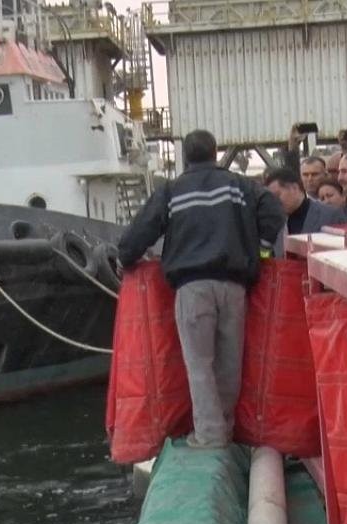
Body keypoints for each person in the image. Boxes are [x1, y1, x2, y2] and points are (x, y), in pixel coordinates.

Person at [118, 130, 284, 449]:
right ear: (215, 152)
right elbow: (274, 212)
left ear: (186, 156)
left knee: (199, 363)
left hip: (192, 286)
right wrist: (261, 249)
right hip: (235, 285)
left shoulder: (172, 191)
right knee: (229, 361)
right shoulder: (241, 186)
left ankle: (209, 435)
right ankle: (228, 426)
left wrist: (125, 257)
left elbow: (142, 231)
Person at [264, 166, 345, 240]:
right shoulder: (274, 222)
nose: (274, 201)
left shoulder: (330, 215)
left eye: (277, 195)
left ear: (294, 188)